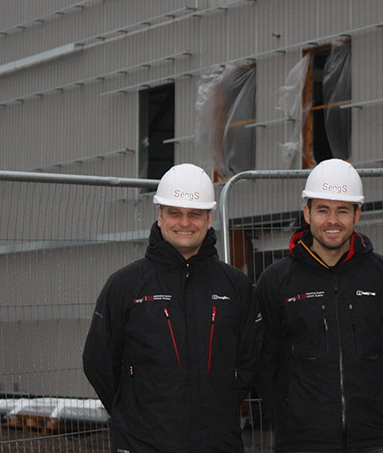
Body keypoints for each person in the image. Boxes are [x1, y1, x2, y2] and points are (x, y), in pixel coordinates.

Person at [82, 163, 262, 453]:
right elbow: (99, 363)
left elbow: (250, 359)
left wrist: (219, 402)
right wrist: (136, 412)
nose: (184, 223)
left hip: (217, 442)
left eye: (194, 214)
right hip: (143, 444)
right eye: (175, 213)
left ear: (209, 218)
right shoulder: (125, 286)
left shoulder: (235, 286)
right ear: (160, 215)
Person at [256, 158, 383, 453]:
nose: (332, 220)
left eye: (342, 210)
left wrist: (374, 406)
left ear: (357, 214)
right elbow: (263, 360)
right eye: (323, 210)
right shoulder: (276, 280)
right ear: (307, 213)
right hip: (302, 442)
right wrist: (288, 417)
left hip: (374, 440)